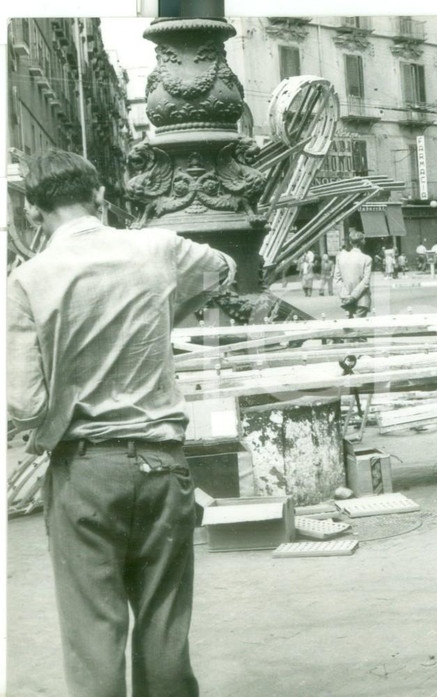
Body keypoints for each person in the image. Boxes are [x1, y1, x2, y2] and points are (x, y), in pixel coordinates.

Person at [7, 149, 236, 697]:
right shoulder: (157, 246)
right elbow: (225, 268)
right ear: (101, 197)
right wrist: (167, 313)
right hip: (164, 466)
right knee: (163, 624)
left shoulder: (26, 280)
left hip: (84, 473)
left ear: (33, 213)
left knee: (93, 634)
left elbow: (24, 406)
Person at [335, 229, 373, 318]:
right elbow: (365, 282)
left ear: (351, 243)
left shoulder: (340, 258)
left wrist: (345, 295)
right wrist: (353, 297)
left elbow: (337, 279)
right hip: (361, 299)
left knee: (350, 324)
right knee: (359, 327)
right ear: (363, 242)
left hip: (346, 298)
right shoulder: (367, 259)